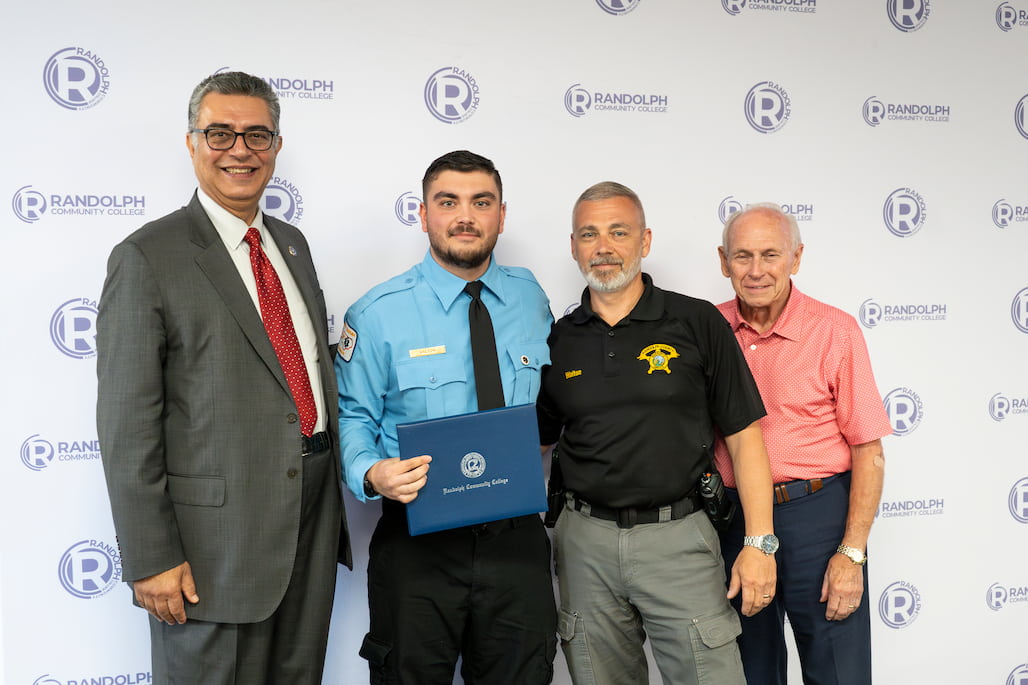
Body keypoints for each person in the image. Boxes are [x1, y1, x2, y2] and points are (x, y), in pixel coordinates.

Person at [96, 71, 350, 685]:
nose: (240, 149)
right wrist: (152, 557)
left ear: (277, 147)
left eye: (257, 135)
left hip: (310, 520)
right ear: (191, 144)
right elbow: (127, 425)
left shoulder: (291, 245)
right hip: (213, 546)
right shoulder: (148, 256)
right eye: (220, 133)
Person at [536, 181, 778, 685]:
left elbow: (745, 437)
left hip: (679, 540)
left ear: (645, 241)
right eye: (589, 234)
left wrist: (759, 542)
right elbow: (537, 440)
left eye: (618, 232)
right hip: (584, 546)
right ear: (574, 247)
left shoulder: (696, 321)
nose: (603, 247)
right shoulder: (558, 338)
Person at [335, 150, 557, 684]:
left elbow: (549, 405)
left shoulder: (530, 297)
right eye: (448, 202)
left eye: (481, 202)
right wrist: (371, 472)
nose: (465, 216)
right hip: (418, 543)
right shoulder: (377, 312)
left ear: (501, 215)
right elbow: (352, 416)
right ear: (423, 213)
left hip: (516, 538)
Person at [714, 203, 891, 685]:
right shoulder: (707, 329)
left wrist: (852, 553)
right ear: (723, 261)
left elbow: (868, 451)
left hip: (817, 516)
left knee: (838, 671)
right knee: (748, 670)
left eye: (770, 255)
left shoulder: (835, 330)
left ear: (796, 257)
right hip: (734, 520)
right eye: (742, 256)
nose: (755, 271)